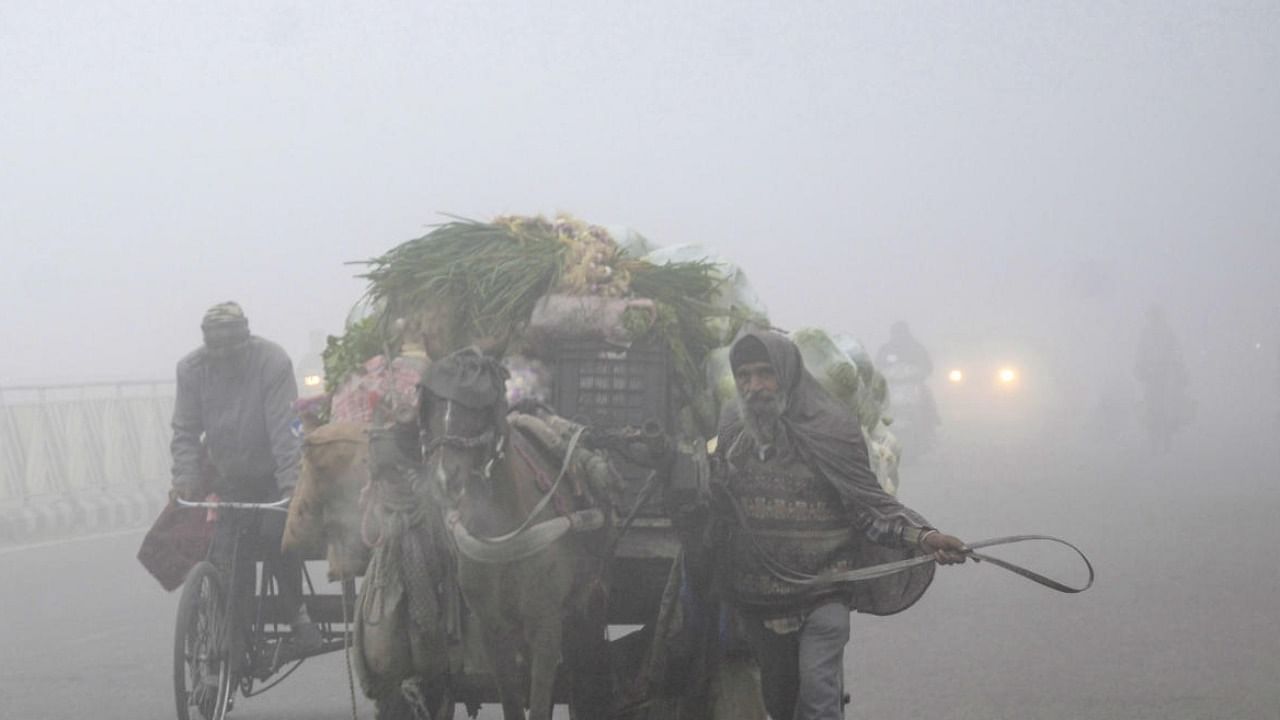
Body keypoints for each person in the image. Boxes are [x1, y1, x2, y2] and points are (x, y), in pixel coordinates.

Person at [714, 331, 967, 720]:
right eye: (744, 376)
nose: (754, 386)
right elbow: (717, 504)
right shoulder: (733, 432)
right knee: (780, 701)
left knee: (818, 696)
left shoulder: (832, 429)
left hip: (823, 591)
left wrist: (925, 538)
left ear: (788, 373)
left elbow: (868, 507)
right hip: (759, 596)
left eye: (765, 373)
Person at [171, 301, 321, 655]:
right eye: (215, 349)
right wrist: (185, 477)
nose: (223, 357)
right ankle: (230, 628)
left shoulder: (271, 362)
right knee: (225, 553)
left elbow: (285, 430)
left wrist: (290, 486)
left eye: (231, 349)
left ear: (246, 339)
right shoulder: (191, 369)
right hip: (228, 476)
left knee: (276, 537)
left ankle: (295, 612)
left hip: (272, 474)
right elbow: (185, 430)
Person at [1134, 306, 1192, 451]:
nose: (1154, 319)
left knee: (1167, 405)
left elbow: (1176, 354)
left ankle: (1166, 438)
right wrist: (1141, 369)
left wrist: (1180, 372)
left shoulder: (1167, 335)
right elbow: (1141, 355)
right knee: (1152, 405)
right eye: (1152, 316)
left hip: (1166, 376)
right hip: (1153, 377)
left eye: (1155, 316)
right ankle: (1154, 439)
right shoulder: (1146, 335)